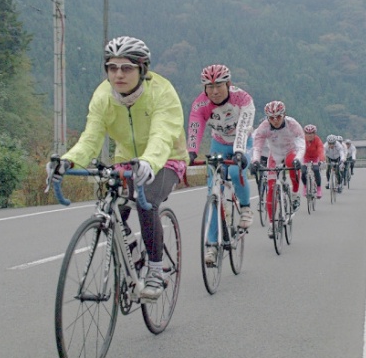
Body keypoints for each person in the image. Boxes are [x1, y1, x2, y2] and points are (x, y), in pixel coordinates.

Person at [46, 36, 188, 301]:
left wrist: (150, 161)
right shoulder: (103, 96)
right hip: (126, 159)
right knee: (112, 207)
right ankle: (133, 255)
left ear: (142, 69)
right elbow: (91, 137)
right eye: (112, 68)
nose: (118, 74)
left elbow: (162, 134)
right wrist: (67, 161)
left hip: (167, 157)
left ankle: (155, 270)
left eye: (127, 68)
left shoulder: (162, 91)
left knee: (146, 201)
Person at [187, 64, 255, 265]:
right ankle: (211, 245)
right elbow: (195, 127)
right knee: (213, 193)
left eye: (219, 86)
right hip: (218, 142)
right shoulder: (200, 104)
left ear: (229, 84)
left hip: (242, 141)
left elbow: (243, 128)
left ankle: (245, 208)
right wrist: (191, 152)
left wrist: (240, 152)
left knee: (235, 171)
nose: (214, 91)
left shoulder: (243, 99)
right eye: (209, 86)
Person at [250, 101, 305, 238]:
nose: (275, 121)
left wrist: (298, 158)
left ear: (284, 115)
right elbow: (257, 146)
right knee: (271, 187)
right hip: (274, 155)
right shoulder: (263, 127)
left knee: (291, 162)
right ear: (267, 117)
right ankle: (272, 224)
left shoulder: (292, 124)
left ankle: (294, 194)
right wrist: (255, 161)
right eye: (271, 118)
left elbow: (301, 143)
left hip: (291, 152)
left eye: (278, 117)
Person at [301, 124, 325, 198]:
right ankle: (305, 186)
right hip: (305, 158)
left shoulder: (317, 140)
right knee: (303, 172)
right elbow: (300, 149)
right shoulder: (303, 140)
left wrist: (321, 160)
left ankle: (318, 189)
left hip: (315, 158)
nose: (309, 135)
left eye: (311, 133)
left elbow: (320, 150)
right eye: (307, 133)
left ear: (314, 134)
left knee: (316, 170)